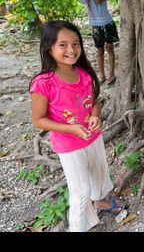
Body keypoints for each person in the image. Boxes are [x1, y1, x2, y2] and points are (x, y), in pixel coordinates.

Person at [29, 21, 124, 232]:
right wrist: (71, 128)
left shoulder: (84, 74)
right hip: (69, 145)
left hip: (93, 137)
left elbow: (95, 102)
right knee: (80, 191)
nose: (71, 50)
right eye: (62, 45)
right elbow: (38, 120)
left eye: (76, 43)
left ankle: (100, 201)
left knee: (100, 171)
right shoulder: (43, 83)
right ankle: (78, 227)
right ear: (48, 47)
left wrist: (96, 116)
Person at [79, 0, 118, 85]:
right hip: (96, 27)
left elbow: (98, 0)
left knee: (110, 48)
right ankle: (102, 74)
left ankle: (111, 72)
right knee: (99, 51)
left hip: (108, 24)